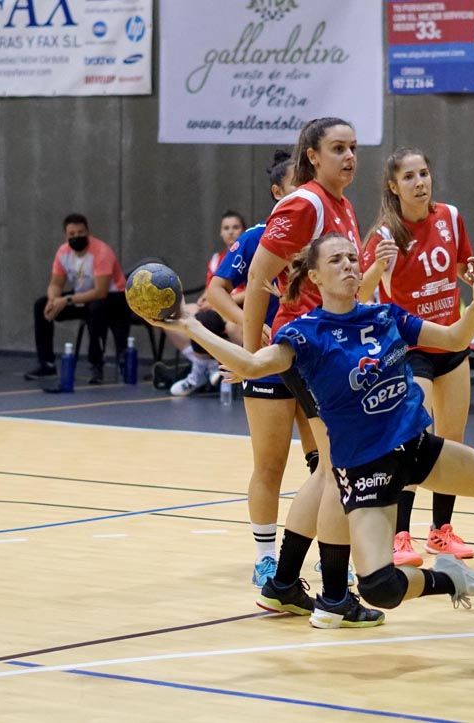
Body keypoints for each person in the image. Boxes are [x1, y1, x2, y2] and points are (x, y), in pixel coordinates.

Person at [146, 232, 474, 626]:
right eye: (337, 259)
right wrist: (190, 324)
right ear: (314, 275)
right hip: (364, 474)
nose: (351, 265)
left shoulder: (386, 316)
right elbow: (252, 364)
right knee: (380, 587)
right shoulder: (305, 334)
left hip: (417, 447)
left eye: (354, 257)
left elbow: (456, 338)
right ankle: (452, 580)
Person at [241, 118, 391, 629]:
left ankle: (284, 584)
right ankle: (331, 595)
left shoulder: (342, 204)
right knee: (338, 469)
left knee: (329, 469)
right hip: (309, 348)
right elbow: (259, 276)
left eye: (354, 148)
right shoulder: (303, 203)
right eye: (338, 148)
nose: (350, 156)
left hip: (330, 346)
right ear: (312, 156)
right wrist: (247, 359)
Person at [361, 147, 474, 567]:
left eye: (424, 173)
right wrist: (378, 269)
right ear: (393, 187)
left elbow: (464, 265)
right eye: (409, 176)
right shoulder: (383, 235)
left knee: (453, 439)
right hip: (410, 349)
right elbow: (358, 295)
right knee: (414, 439)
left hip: (450, 343)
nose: (420, 182)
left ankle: (441, 532)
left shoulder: (449, 216)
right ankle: (399, 536)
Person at [204, 151, 307, 587]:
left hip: (317, 359)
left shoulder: (328, 235)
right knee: (270, 465)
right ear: (278, 193)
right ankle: (266, 557)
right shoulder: (257, 238)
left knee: (328, 464)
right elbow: (216, 289)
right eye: (297, 185)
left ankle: (329, 551)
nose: (308, 192)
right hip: (270, 362)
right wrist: (251, 330)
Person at [25, 213, 130, 385]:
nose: (77, 237)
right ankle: (46, 363)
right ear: (65, 236)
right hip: (84, 296)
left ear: (88, 232)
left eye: (81, 232)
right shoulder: (63, 253)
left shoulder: (101, 252)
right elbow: (56, 284)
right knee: (41, 305)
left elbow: (101, 292)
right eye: (72, 234)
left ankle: (96, 364)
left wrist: (66, 301)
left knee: (96, 308)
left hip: (115, 298)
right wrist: (53, 300)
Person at [167, 210, 247, 396]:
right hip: (217, 305)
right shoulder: (216, 259)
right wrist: (205, 297)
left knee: (209, 320)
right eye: (226, 228)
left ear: (244, 231)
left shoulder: (250, 255)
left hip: (237, 307)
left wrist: (218, 302)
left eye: (235, 227)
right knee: (174, 315)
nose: (230, 232)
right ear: (220, 233)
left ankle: (201, 371)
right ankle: (205, 365)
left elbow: (251, 291)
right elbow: (212, 286)